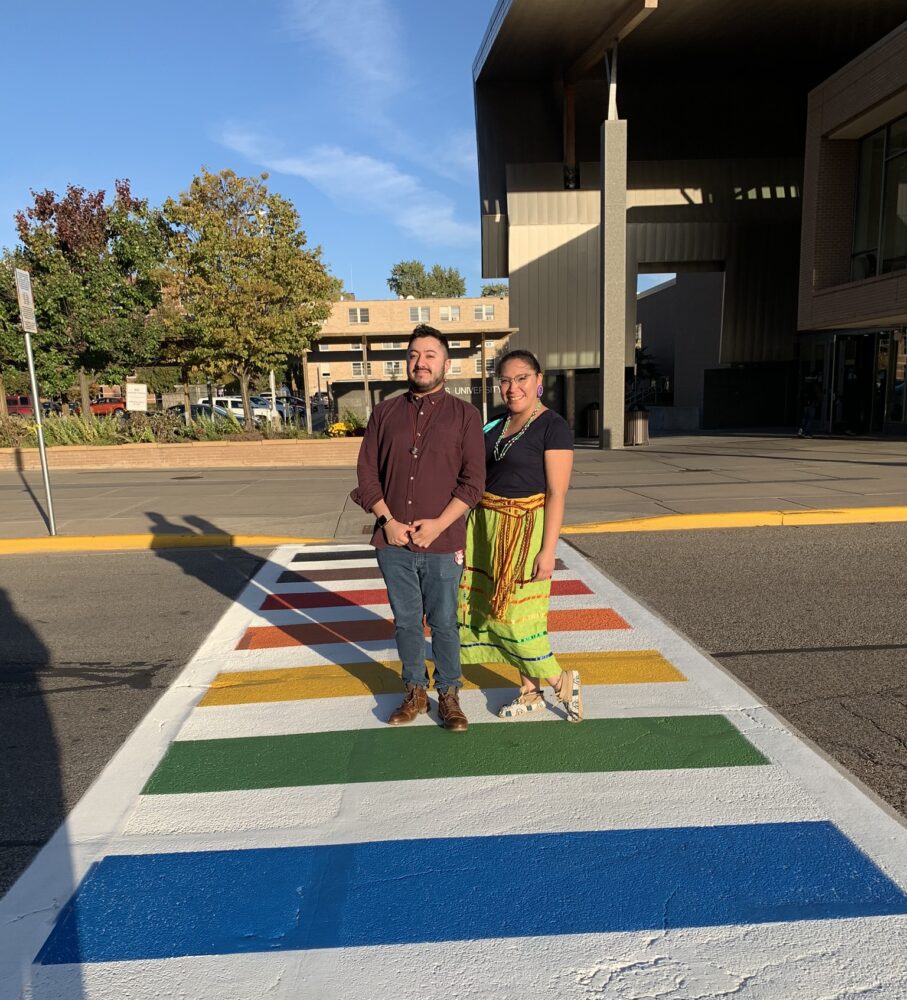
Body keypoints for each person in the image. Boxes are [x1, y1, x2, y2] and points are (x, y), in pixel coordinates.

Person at [350, 325, 486, 731]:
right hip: (393, 542)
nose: (420, 362)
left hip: (443, 543)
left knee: (444, 621)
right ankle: (414, 691)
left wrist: (439, 525)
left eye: (429, 354)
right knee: (406, 620)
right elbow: (366, 473)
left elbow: (474, 481)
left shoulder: (465, 415)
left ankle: (448, 694)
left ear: (446, 363)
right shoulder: (385, 413)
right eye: (413, 354)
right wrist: (387, 521)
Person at [458, 349, 579, 721]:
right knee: (490, 610)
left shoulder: (552, 425)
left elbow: (557, 492)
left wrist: (549, 549)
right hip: (485, 529)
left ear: (538, 380)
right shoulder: (494, 425)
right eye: (505, 380)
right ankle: (530, 691)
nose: (513, 388)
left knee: (516, 617)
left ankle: (562, 680)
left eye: (521, 378)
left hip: (525, 531)